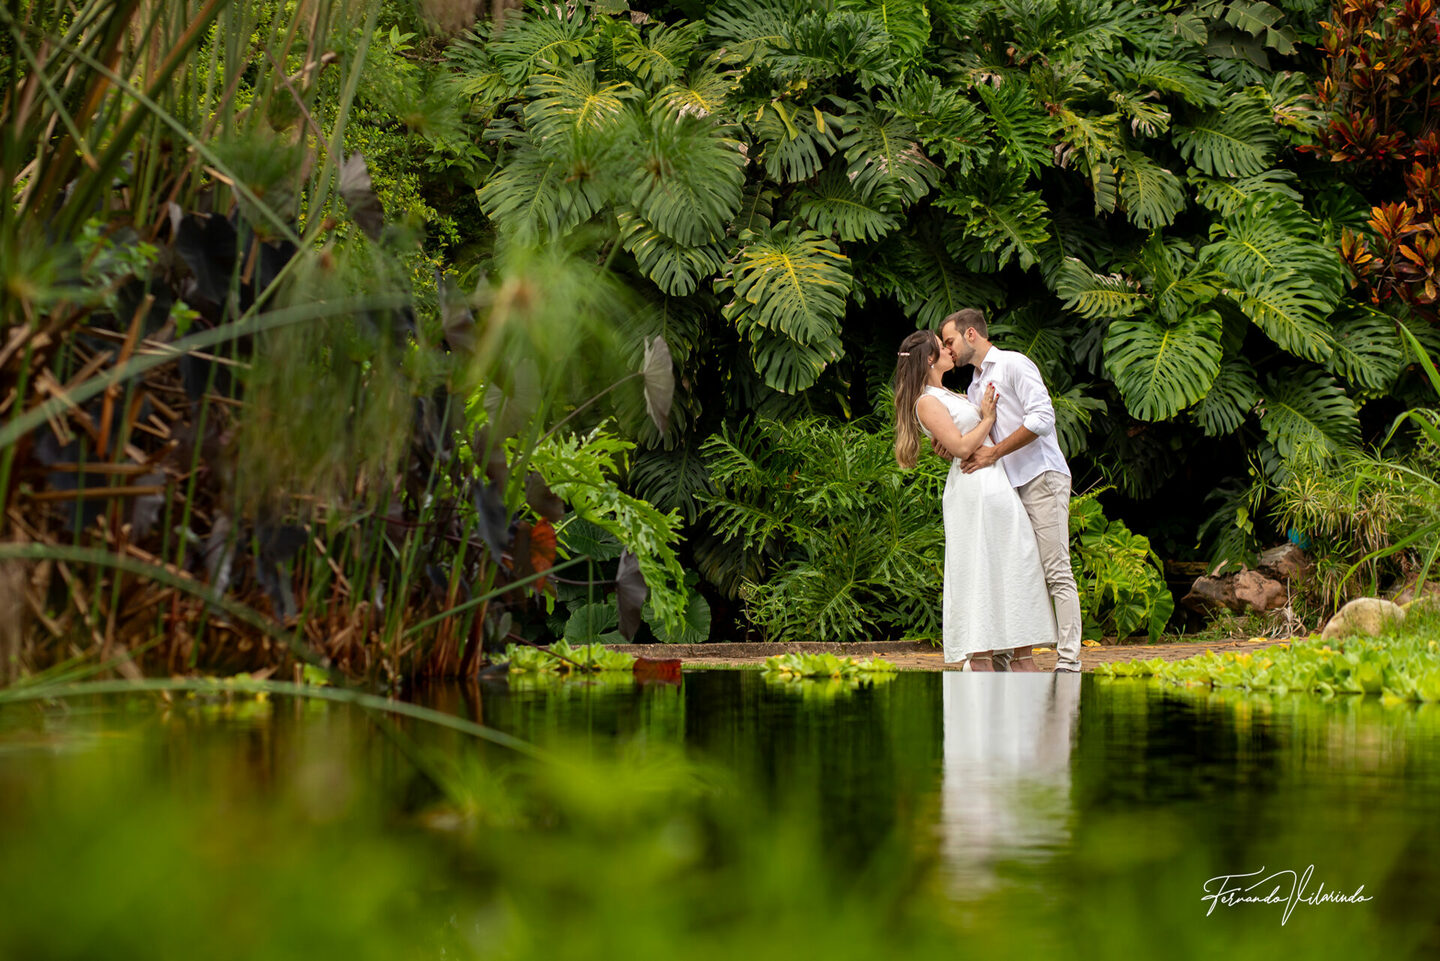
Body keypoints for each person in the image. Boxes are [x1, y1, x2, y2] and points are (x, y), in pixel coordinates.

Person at [892, 329, 1057, 671]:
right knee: (978, 563)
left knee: (1015, 559)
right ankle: (980, 652)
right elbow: (963, 448)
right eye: (942, 347)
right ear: (929, 359)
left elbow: (957, 441)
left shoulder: (951, 392)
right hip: (974, 485)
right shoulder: (926, 401)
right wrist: (989, 419)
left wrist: (979, 426)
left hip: (994, 482)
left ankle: (1019, 650)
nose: (949, 350)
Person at [939, 309, 1082, 673]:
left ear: (971, 334)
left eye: (950, 341)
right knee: (1017, 570)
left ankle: (1068, 661)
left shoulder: (1014, 365)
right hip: (1006, 488)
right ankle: (1006, 654)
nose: (947, 350)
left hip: (1040, 476)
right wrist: (951, 445)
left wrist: (994, 453)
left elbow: (1042, 417)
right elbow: (978, 435)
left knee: (1055, 570)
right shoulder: (974, 387)